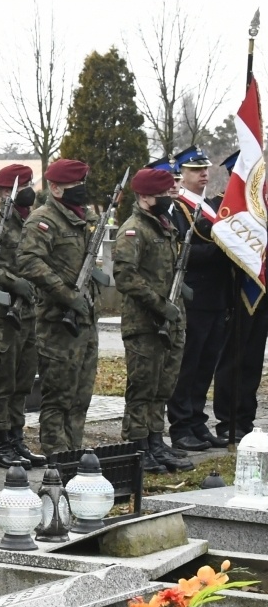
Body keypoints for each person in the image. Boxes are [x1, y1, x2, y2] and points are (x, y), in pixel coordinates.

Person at [16, 158, 101, 456]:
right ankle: (58, 460)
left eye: (82, 184)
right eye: (74, 185)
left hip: (85, 320)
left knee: (81, 396)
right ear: (55, 187)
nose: (81, 190)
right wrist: (66, 294)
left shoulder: (82, 218)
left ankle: (75, 454)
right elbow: (28, 261)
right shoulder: (44, 219)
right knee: (59, 398)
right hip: (58, 323)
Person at [114, 167, 191, 473]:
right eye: (160, 195)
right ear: (144, 196)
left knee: (163, 387)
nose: (166, 199)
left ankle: (156, 441)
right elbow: (125, 276)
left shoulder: (164, 226)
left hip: (170, 322)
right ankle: (137, 445)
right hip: (144, 324)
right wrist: (160, 305)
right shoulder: (134, 229)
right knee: (142, 388)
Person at [166, 148, 233, 451]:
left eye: (205, 169)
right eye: (195, 170)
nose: (203, 174)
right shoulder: (176, 209)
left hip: (217, 297)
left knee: (206, 365)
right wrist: (221, 249)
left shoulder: (211, 207)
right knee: (188, 365)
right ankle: (181, 426)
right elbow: (180, 253)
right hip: (193, 298)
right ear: (181, 174)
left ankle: (196, 420)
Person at [0, 163, 47, 469]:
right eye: (21, 186)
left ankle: (17, 436)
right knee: (3, 380)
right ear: (4, 191)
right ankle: (2, 441)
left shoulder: (32, 221)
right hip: (5, 312)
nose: (28, 191)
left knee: (23, 379)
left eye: (30, 184)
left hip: (29, 312)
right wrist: (12, 282)